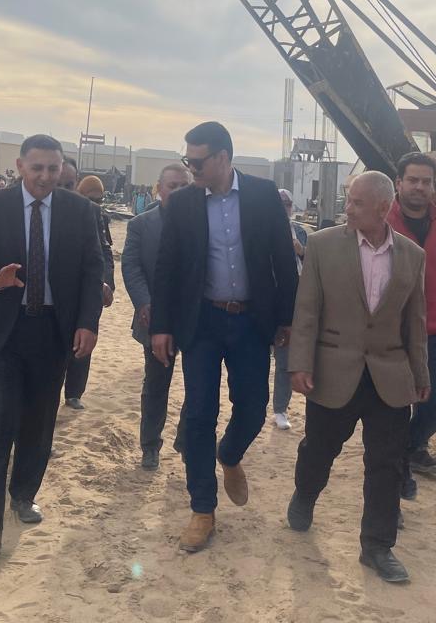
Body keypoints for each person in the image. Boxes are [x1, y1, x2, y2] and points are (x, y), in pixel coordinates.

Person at [151, 121, 298, 553]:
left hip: (251, 321)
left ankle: (230, 455)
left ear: (222, 158)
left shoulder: (262, 195)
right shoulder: (182, 203)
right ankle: (202, 509)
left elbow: (283, 260)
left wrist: (287, 318)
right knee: (199, 414)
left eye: (197, 161)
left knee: (253, 408)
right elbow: (166, 268)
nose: (191, 169)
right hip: (201, 322)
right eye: (187, 161)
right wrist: (161, 326)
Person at [0, 134, 104, 558]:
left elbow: (92, 270)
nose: (44, 176)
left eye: (53, 169)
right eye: (37, 168)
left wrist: (88, 323)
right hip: (0, 333)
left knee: (39, 423)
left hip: (51, 332)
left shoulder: (80, 211)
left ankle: (23, 494)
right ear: (20, 166)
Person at [286, 171, 428, 583]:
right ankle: (305, 494)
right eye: (348, 200)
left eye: (357, 203)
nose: (347, 209)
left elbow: (415, 322)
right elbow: (307, 310)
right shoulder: (322, 245)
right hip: (334, 371)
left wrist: (420, 374)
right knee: (320, 449)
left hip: (389, 375)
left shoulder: (412, 255)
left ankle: (377, 547)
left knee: (386, 463)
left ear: (383, 208)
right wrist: (300, 364)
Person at [386, 154, 436, 499]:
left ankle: (406, 451)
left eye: (426, 181)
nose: (419, 187)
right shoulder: (382, 221)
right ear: (399, 183)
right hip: (390, 335)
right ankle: (396, 474)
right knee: (393, 409)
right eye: (413, 180)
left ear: (434, 186)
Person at [121, 163, 191, 470]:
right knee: (156, 385)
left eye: (184, 186)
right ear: (159, 188)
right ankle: (150, 445)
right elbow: (131, 266)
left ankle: (185, 440)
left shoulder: (203, 223)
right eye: (172, 186)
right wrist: (144, 303)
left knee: (199, 385)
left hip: (195, 319)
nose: (178, 191)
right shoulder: (141, 224)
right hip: (154, 319)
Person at [63, 174, 115, 409]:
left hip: (87, 290)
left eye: (99, 199)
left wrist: (106, 282)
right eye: (91, 198)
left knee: (84, 339)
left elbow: (105, 251)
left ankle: (74, 392)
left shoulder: (95, 214)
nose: (95, 203)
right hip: (58, 290)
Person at [270, 189, 308, 431]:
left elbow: (314, 264)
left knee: (285, 360)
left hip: (292, 303)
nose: (284, 207)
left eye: (287, 203)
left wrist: (301, 251)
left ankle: (280, 409)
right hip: (265, 303)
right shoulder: (261, 228)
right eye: (279, 202)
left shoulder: (300, 232)